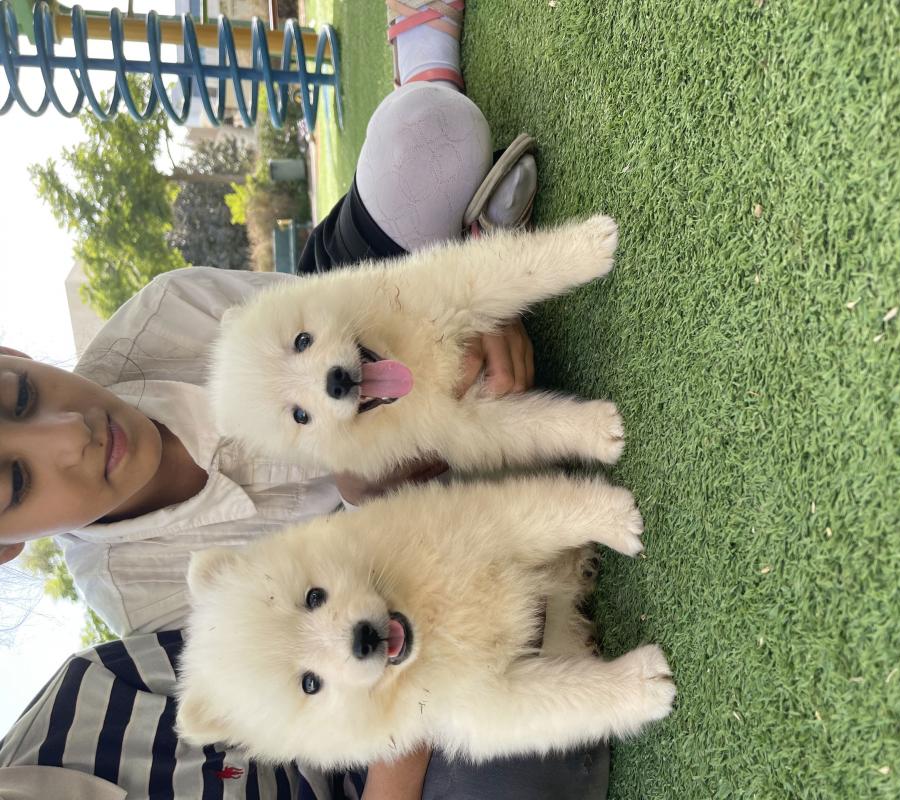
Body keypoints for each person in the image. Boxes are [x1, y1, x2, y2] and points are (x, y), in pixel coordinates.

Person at [0, 2, 609, 798]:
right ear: (6, 548)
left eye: (18, 396)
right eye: (15, 482)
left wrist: (445, 322)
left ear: (12, 356)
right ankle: (482, 272)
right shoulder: (140, 608)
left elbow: (345, 319)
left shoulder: (160, 317)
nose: (69, 435)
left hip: (361, 323)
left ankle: (428, 90)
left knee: (432, 134)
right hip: (413, 553)